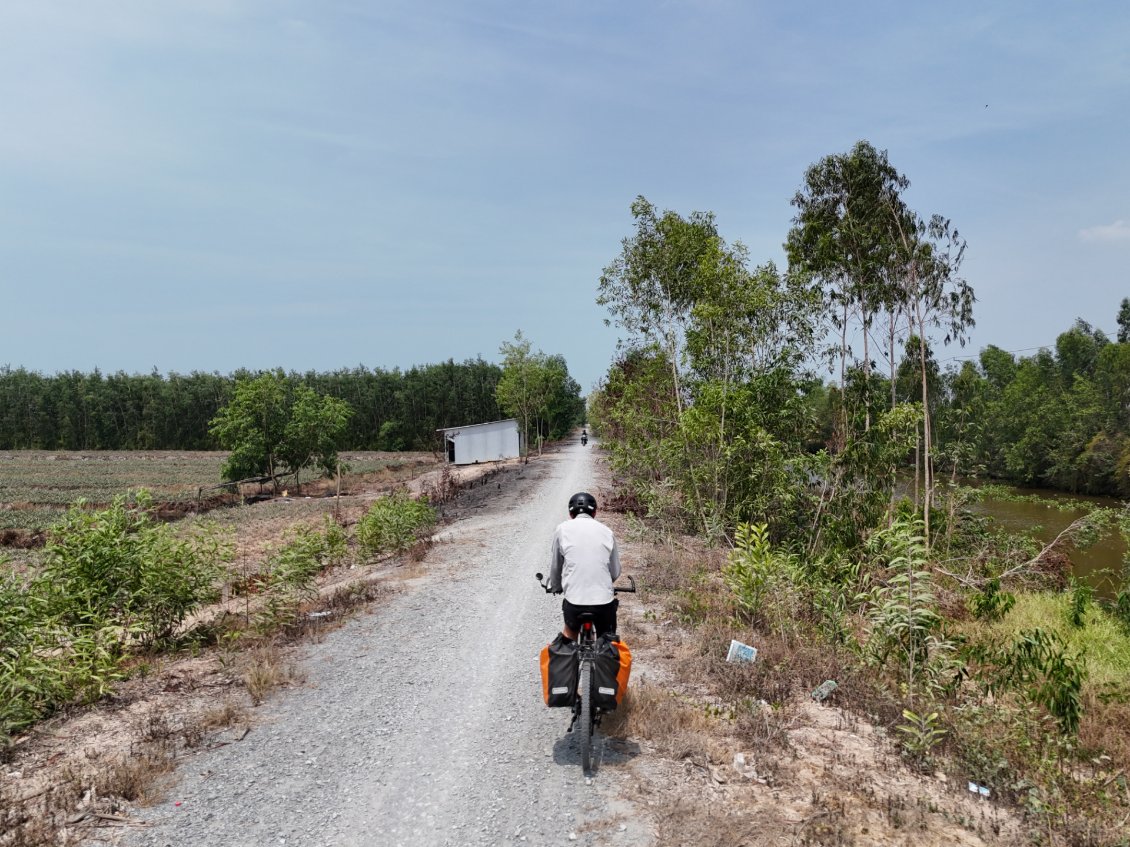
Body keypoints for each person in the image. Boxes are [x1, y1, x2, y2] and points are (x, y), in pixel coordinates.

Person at [542, 491, 621, 640]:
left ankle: (570, 656)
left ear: (570, 514)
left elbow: (556, 565)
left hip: (574, 601)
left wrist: (556, 585)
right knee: (607, 640)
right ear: (595, 512)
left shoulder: (562, 530)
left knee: (569, 636)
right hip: (603, 602)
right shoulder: (607, 531)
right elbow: (615, 571)